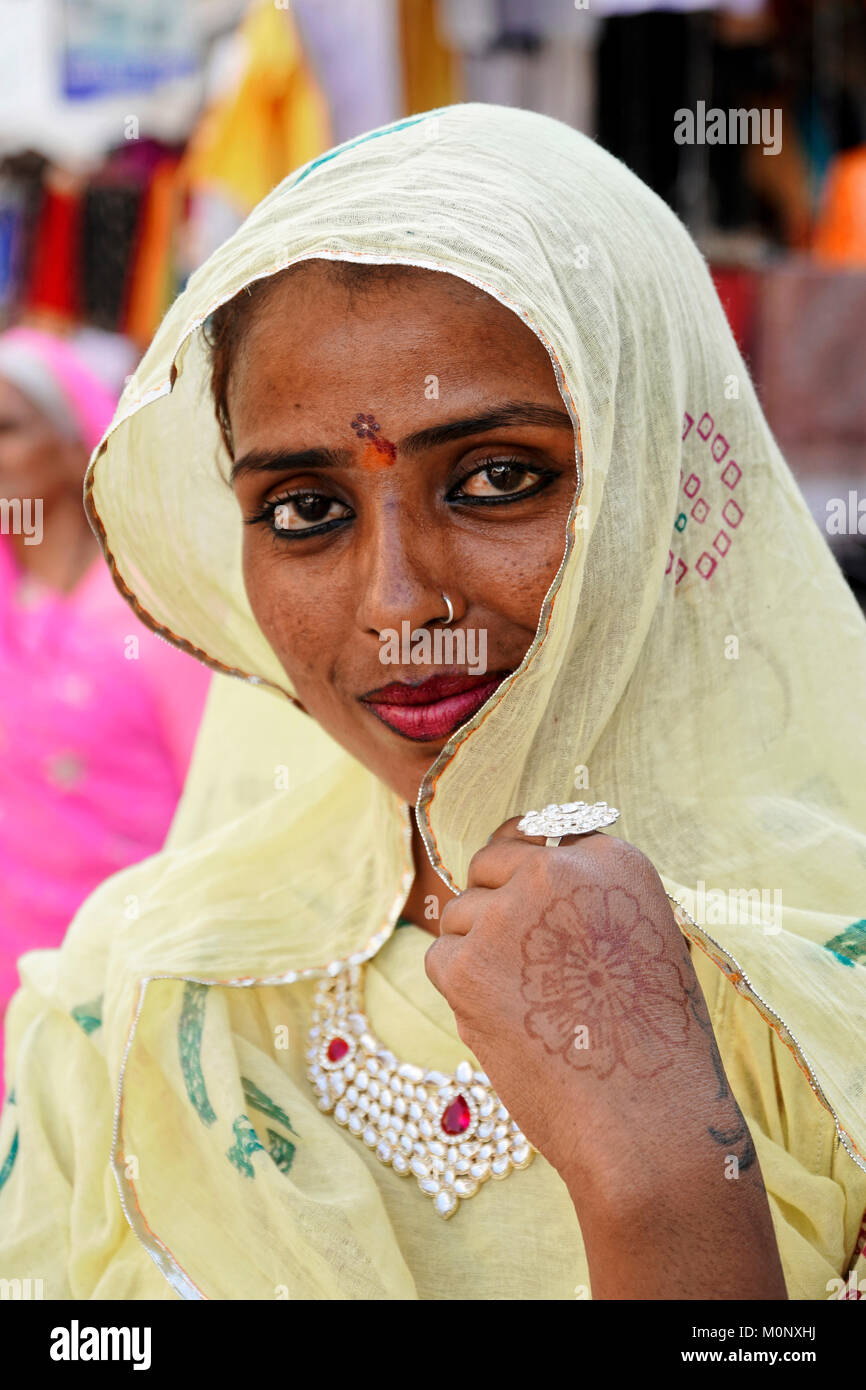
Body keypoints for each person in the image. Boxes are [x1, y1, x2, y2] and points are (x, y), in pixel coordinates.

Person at [1, 104, 865, 1301]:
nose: (398, 607)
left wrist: (660, 1170)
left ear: (660, 478)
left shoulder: (829, 978)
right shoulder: (127, 1002)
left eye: (497, 477)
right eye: (305, 509)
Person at [0, 327, 211, 1100]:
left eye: (7, 428)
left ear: (72, 444)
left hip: (125, 983)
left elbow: (217, 805)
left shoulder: (150, 614)